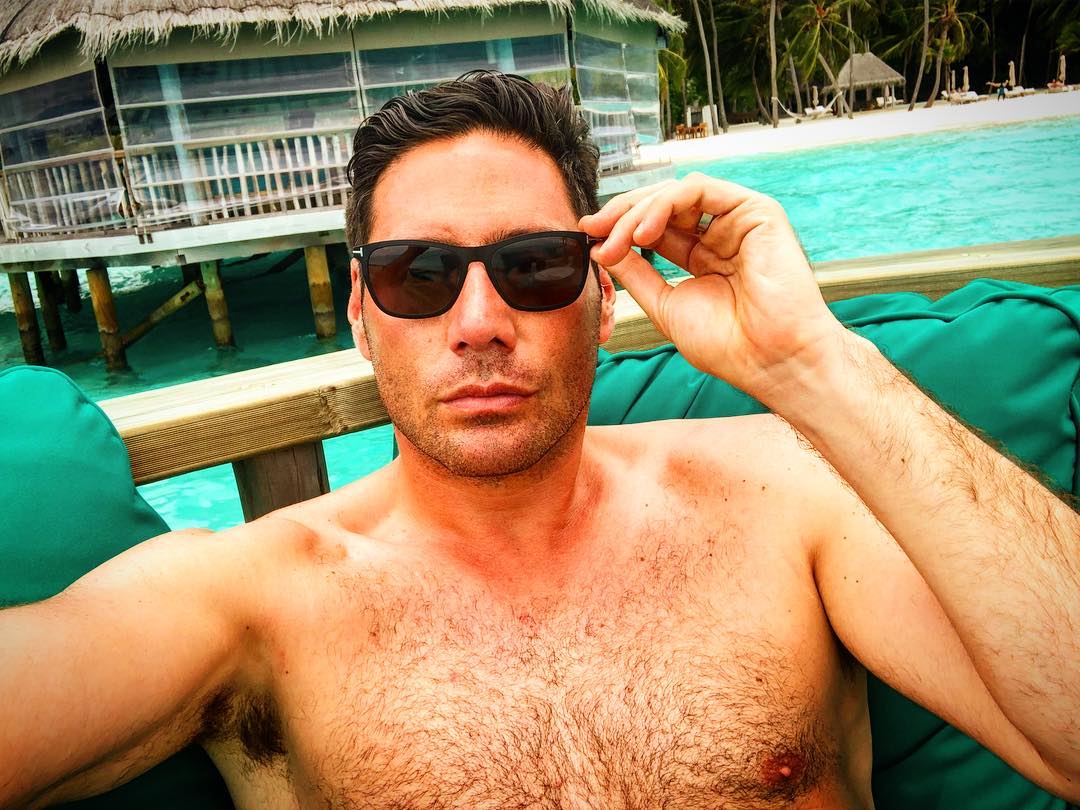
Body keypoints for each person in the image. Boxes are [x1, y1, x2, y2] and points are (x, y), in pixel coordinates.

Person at [2, 70, 1078, 808]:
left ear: (603, 300)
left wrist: (816, 366)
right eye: (418, 274)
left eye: (533, 266)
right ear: (363, 317)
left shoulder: (788, 495)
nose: (478, 321)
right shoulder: (253, 598)